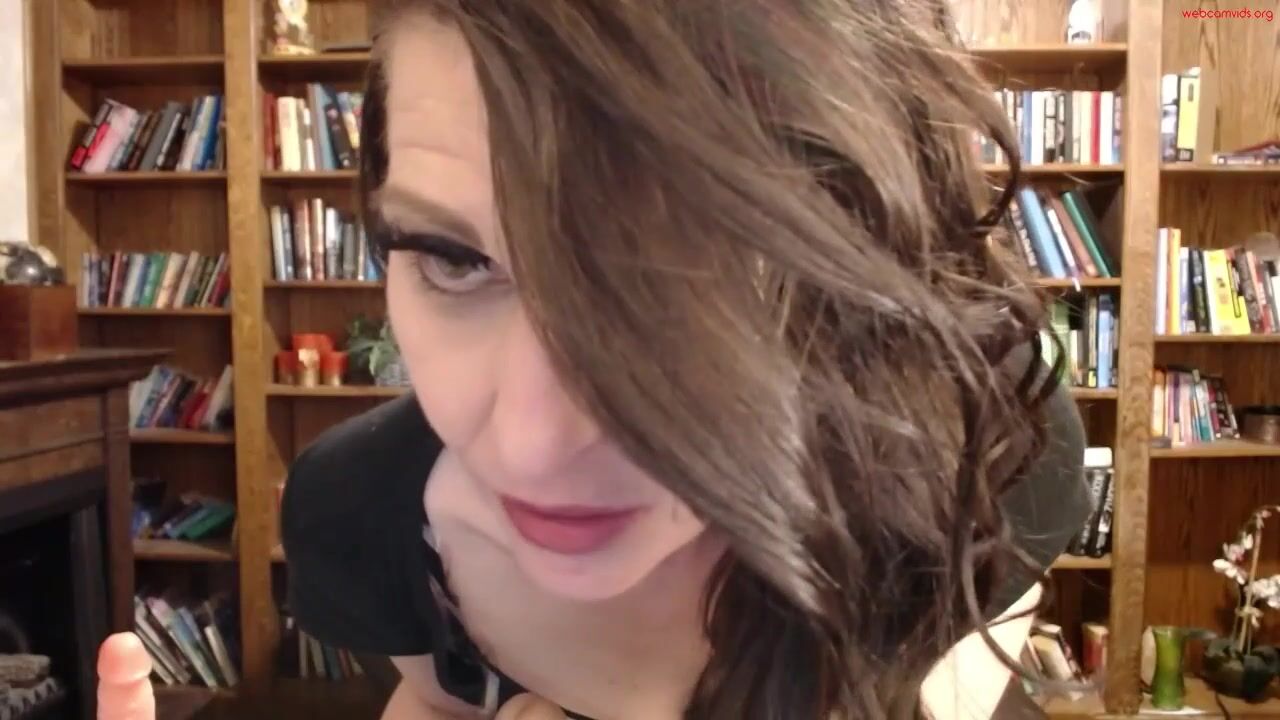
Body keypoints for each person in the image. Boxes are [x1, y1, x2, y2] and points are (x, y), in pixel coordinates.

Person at [97, 1, 1094, 718]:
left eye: (686, 281)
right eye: (453, 258)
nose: (529, 445)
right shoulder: (363, 506)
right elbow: (436, 702)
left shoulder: (987, 447)